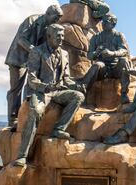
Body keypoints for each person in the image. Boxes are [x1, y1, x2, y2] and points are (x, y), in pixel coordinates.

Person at [12, 24, 85, 167]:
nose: (61, 39)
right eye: (58, 36)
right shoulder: (37, 52)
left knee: (78, 96)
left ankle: (58, 129)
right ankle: (22, 155)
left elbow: (66, 78)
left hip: (57, 91)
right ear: (49, 36)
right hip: (40, 91)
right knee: (36, 112)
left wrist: (75, 85)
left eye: (63, 36)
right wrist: (45, 87)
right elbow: (32, 79)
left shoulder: (64, 54)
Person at [5, 5, 63, 127]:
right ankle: (13, 119)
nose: (56, 20)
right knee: (16, 88)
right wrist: (34, 50)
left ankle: (26, 114)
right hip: (19, 58)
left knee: (32, 85)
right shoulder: (32, 20)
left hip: (34, 60)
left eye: (59, 18)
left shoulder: (49, 28)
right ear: (48, 13)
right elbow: (21, 39)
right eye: (56, 17)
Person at [79, 13, 131, 104]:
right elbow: (89, 55)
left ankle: (124, 94)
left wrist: (112, 53)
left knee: (124, 60)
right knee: (97, 65)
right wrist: (96, 53)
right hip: (103, 69)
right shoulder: (96, 37)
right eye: (103, 22)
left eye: (106, 22)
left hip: (116, 68)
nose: (103, 24)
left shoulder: (119, 35)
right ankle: (82, 91)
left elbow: (124, 51)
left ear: (113, 23)